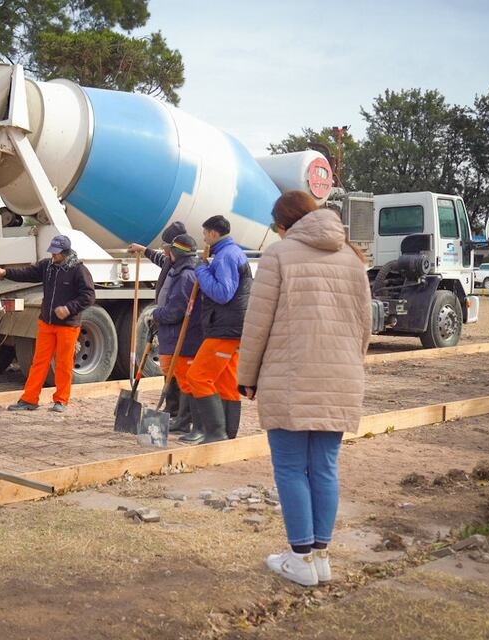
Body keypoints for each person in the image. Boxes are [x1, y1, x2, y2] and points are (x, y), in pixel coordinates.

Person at [238, 191, 371, 586]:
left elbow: (258, 322)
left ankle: (299, 559)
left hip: (289, 375)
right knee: (325, 468)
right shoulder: (352, 257)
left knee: (292, 468)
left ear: (284, 224)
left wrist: (247, 375)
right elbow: (365, 327)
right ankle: (319, 558)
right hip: (342, 376)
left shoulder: (279, 255)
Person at [0, 235, 95, 413]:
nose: (53, 256)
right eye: (52, 252)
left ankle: (61, 400)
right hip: (46, 323)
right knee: (39, 362)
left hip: (68, 326)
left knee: (63, 364)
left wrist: (69, 308)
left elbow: (88, 297)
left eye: (56, 253)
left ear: (65, 253)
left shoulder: (79, 270)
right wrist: (5, 272)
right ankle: (29, 399)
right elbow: (27, 273)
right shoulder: (47, 266)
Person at [181, 215, 252, 444]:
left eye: (204, 235)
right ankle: (229, 436)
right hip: (233, 327)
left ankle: (215, 433)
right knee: (226, 382)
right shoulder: (232, 253)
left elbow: (223, 293)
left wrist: (201, 270)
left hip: (224, 328)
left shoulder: (225, 256)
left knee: (198, 376)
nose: (204, 239)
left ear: (213, 234)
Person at [128, 220, 187, 424]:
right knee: (167, 368)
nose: (162, 249)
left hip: (175, 325)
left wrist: (160, 315)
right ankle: (171, 409)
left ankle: (176, 412)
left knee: (176, 371)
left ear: (174, 246)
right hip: (165, 323)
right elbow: (158, 258)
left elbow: (179, 304)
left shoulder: (183, 268)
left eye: (165, 245)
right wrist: (143, 250)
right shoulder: (170, 262)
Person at [148, 234, 204, 434]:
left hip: (184, 337)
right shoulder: (178, 270)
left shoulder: (186, 275)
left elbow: (176, 310)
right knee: (181, 379)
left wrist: (156, 314)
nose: (167, 253)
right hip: (174, 335)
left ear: (177, 253)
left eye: (170, 249)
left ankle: (188, 421)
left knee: (186, 381)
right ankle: (182, 419)